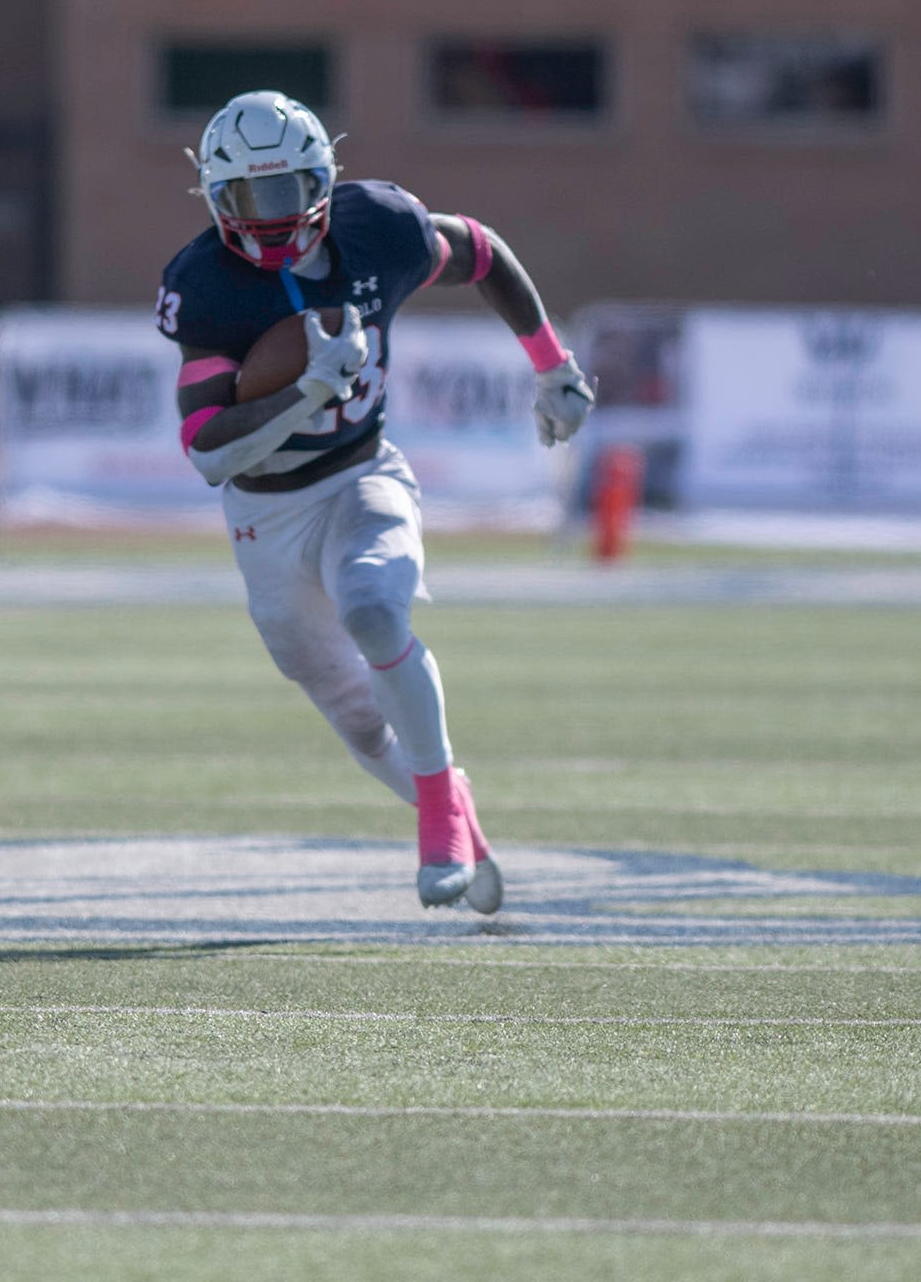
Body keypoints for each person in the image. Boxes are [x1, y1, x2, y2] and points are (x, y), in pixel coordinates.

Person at [157, 90, 596, 910]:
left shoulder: (382, 229)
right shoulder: (206, 286)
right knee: (356, 718)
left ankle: (435, 811)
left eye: (286, 191)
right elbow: (209, 452)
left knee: (373, 608)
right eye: (249, 198)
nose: (270, 218)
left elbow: (482, 251)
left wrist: (552, 364)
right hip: (267, 511)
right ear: (216, 199)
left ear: (322, 182)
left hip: (364, 474)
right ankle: (456, 803)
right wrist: (303, 392)